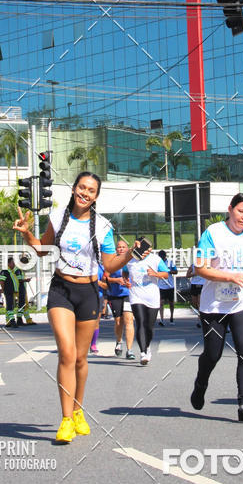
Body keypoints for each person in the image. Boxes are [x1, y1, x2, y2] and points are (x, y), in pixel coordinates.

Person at [13, 172, 135, 443]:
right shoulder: (58, 218)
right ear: (74, 189)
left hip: (89, 293)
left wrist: (129, 255)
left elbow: (110, 264)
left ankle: (78, 411)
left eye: (91, 190)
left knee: (81, 358)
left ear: (96, 196)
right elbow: (43, 249)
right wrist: (26, 235)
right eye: (82, 187)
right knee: (66, 354)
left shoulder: (102, 226)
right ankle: (66, 419)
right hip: (61, 291)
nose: (85, 193)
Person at [190, 193, 243, 424]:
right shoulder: (212, 233)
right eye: (241, 211)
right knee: (213, 354)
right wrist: (229, 276)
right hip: (214, 305)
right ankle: (201, 382)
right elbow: (200, 268)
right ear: (230, 209)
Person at [124, 245, 170, 364]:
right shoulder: (129, 260)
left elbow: (166, 274)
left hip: (152, 297)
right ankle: (143, 352)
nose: (144, 253)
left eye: (147, 251)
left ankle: (147, 346)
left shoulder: (155, 259)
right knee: (140, 322)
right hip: (136, 296)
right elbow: (124, 272)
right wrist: (126, 281)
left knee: (149, 326)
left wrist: (155, 274)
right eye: (141, 250)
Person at [106, 240, 136, 359]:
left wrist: (131, 283)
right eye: (119, 247)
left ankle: (130, 350)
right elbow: (106, 278)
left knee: (128, 320)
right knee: (119, 322)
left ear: (127, 248)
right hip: (115, 295)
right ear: (116, 249)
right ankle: (119, 342)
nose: (121, 249)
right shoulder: (112, 262)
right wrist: (117, 280)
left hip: (128, 294)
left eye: (124, 247)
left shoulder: (132, 261)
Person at [158, 249, 177, 325]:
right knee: (161, 302)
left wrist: (168, 271)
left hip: (170, 285)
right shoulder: (158, 263)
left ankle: (171, 317)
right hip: (161, 285)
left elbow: (176, 271)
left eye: (163, 257)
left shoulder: (170, 262)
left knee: (171, 303)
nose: (162, 258)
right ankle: (161, 319)